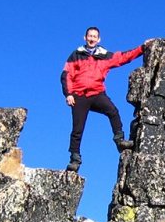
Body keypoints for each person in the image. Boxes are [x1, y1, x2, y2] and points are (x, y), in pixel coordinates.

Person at [60, 26, 151, 172]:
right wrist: (69, 94)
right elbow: (66, 75)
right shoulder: (76, 54)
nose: (91, 38)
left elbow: (123, 57)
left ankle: (120, 140)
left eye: (94, 36)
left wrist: (142, 47)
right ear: (85, 38)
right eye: (89, 36)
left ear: (98, 39)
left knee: (113, 111)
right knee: (78, 128)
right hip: (79, 96)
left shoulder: (104, 55)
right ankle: (75, 159)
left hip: (97, 93)